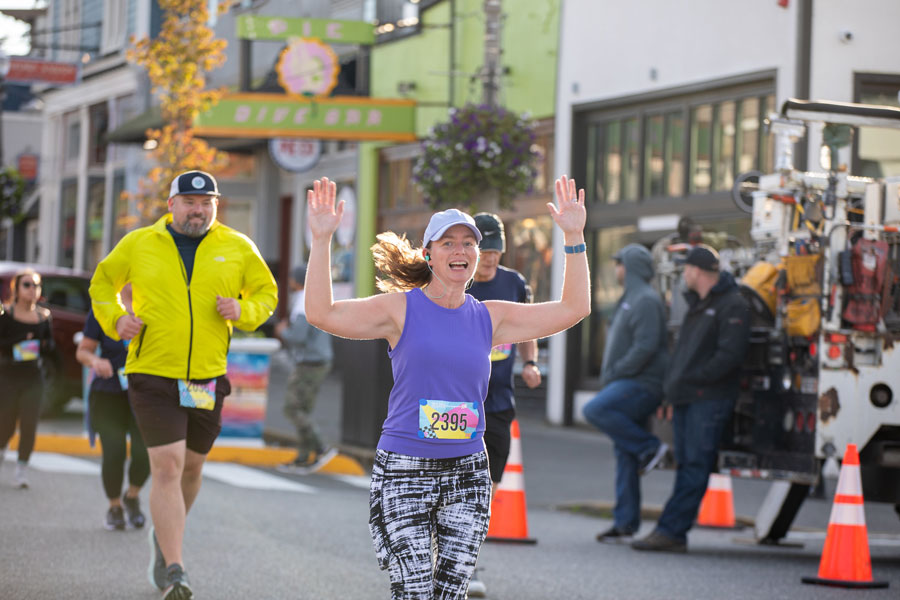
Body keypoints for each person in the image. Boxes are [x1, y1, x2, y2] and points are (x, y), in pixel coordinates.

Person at [304, 175, 590, 599]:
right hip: (404, 468)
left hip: (467, 471)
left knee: (451, 593)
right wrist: (322, 240)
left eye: (469, 243)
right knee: (415, 591)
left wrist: (573, 237)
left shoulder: (491, 317)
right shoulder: (400, 309)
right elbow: (320, 313)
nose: (461, 251)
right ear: (429, 255)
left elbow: (574, 308)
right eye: (448, 243)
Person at [89, 170, 278, 600]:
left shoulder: (237, 246)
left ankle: (163, 537)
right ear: (171, 205)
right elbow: (102, 284)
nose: (199, 209)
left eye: (207, 202)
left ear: (216, 205)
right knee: (169, 466)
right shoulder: (139, 243)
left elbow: (267, 294)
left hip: (207, 377)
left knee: (192, 469)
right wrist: (116, 319)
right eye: (190, 202)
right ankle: (176, 569)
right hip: (153, 371)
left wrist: (243, 310)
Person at [632, 245, 750, 553]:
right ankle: (672, 531)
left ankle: (671, 531)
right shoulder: (700, 303)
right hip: (690, 398)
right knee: (688, 465)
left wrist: (693, 380)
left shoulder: (732, 305)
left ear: (697, 271)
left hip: (707, 400)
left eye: (686, 269)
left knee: (695, 465)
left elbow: (730, 356)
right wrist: (675, 389)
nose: (683, 274)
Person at [465, 213, 542, 597]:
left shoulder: (514, 283)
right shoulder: (454, 283)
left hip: (497, 402)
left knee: (488, 485)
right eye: (485, 251)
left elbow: (528, 328)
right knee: (456, 482)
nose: (491, 259)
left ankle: (468, 558)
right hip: (457, 400)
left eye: (496, 252)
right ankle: (460, 560)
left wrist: (530, 362)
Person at [582, 244, 669, 544]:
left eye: (619, 264)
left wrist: (617, 371)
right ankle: (625, 523)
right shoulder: (631, 298)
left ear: (629, 267)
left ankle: (650, 448)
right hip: (628, 381)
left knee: (594, 410)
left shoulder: (645, 299)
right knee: (624, 452)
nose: (616, 269)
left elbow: (646, 346)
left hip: (641, 383)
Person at [76, 284, 150, 530]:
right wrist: (96, 361)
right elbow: (83, 351)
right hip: (108, 393)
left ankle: (132, 496)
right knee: (114, 451)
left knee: (146, 453)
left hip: (146, 395)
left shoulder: (155, 305)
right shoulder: (105, 308)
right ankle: (114, 506)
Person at [275, 264, 337, 474]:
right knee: (303, 409)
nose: (289, 281)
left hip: (310, 362)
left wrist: (283, 331)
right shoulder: (308, 297)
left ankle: (321, 447)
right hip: (317, 360)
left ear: (296, 281)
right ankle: (303, 457)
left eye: (292, 278)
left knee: (292, 408)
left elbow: (298, 336)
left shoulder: (302, 300)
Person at [0, 269, 55, 489]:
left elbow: (50, 346)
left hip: (33, 377)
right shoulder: (5, 313)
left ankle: (22, 468)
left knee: (30, 424)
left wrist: (41, 345)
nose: (32, 290)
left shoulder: (44, 317)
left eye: (36, 285)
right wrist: (20, 341)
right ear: (16, 288)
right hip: (8, 376)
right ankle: (2, 449)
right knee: (6, 422)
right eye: (27, 285)